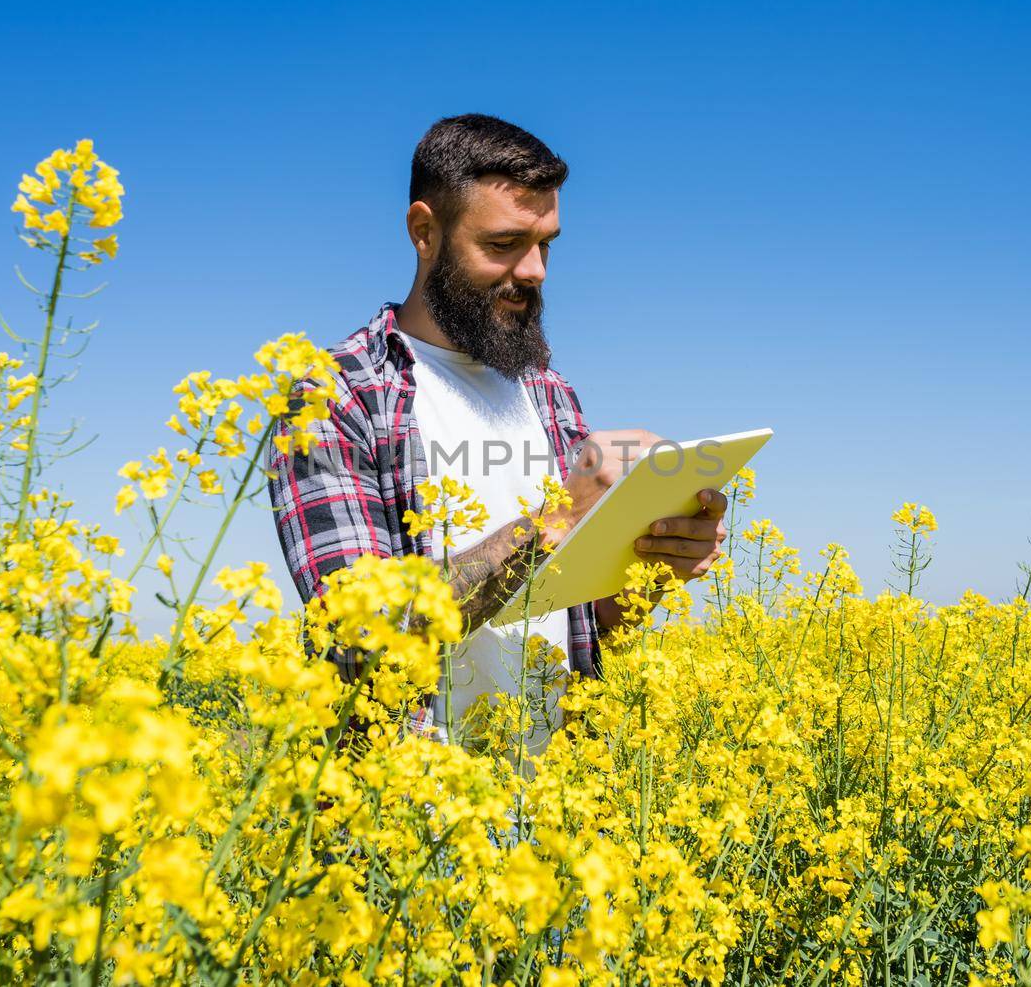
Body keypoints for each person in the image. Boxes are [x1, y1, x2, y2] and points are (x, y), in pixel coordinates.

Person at [267, 113, 726, 747]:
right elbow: (360, 635)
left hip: (556, 809)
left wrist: (649, 568)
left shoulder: (548, 391)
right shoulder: (336, 395)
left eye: (547, 245)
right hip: (405, 819)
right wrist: (559, 521)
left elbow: (588, 630)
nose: (536, 270)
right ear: (425, 232)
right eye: (505, 244)